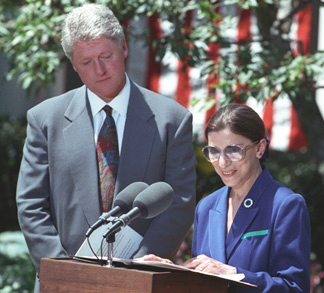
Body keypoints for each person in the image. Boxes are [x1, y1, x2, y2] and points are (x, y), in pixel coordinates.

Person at [16, 4, 196, 291]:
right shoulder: (44, 119)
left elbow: (180, 202)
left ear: (123, 48)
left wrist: (134, 272)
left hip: (139, 280)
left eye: (106, 56)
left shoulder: (171, 120)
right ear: (73, 65)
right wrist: (66, 273)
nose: (99, 70)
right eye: (86, 62)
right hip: (63, 283)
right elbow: (31, 205)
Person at [138, 104, 311, 292]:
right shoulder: (206, 206)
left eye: (233, 150)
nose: (222, 162)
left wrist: (234, 273)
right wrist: (169, 270)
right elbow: (206, 279)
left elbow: (294, 288)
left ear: (260, 148)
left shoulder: (286, 205)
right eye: (214, 151)